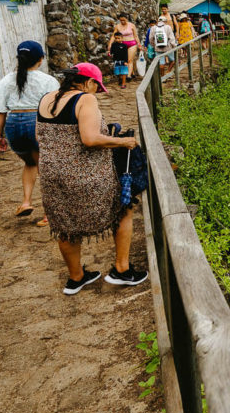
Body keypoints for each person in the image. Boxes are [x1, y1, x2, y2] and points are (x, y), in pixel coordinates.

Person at [36, 63, 147, 295]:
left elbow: (42, 137)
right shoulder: (85, 99)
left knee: (64, 225)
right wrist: (123, 142)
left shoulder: (46, 98)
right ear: (89, 82)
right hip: (84, 174)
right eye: (97, 86)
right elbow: (89, 139)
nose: (97, 92)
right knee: (124, 207)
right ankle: (122, 270)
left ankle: (76, 278)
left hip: (50, 175)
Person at [0, 41, 60, 226]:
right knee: (44, 167)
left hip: (13, 126)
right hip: (36, 123)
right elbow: (54, 109)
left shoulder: (6, 80)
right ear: (41, 59)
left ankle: (26, 202)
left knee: (30, 163)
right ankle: (48, 213)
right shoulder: (48, 81)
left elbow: (0, 111)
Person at [107, 13, 141, 81]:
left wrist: (139, 44)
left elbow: (136, 35)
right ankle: (127, 73)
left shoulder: (132, 25)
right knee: (123, 60)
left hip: (132, 43)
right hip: (122, 45)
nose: (122, 22)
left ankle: (128, 76)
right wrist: (110, 44)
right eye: (121, 20)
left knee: (129, 60)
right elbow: (114, 36)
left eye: (124, 20)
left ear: (127, 19)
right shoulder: (117, 26)